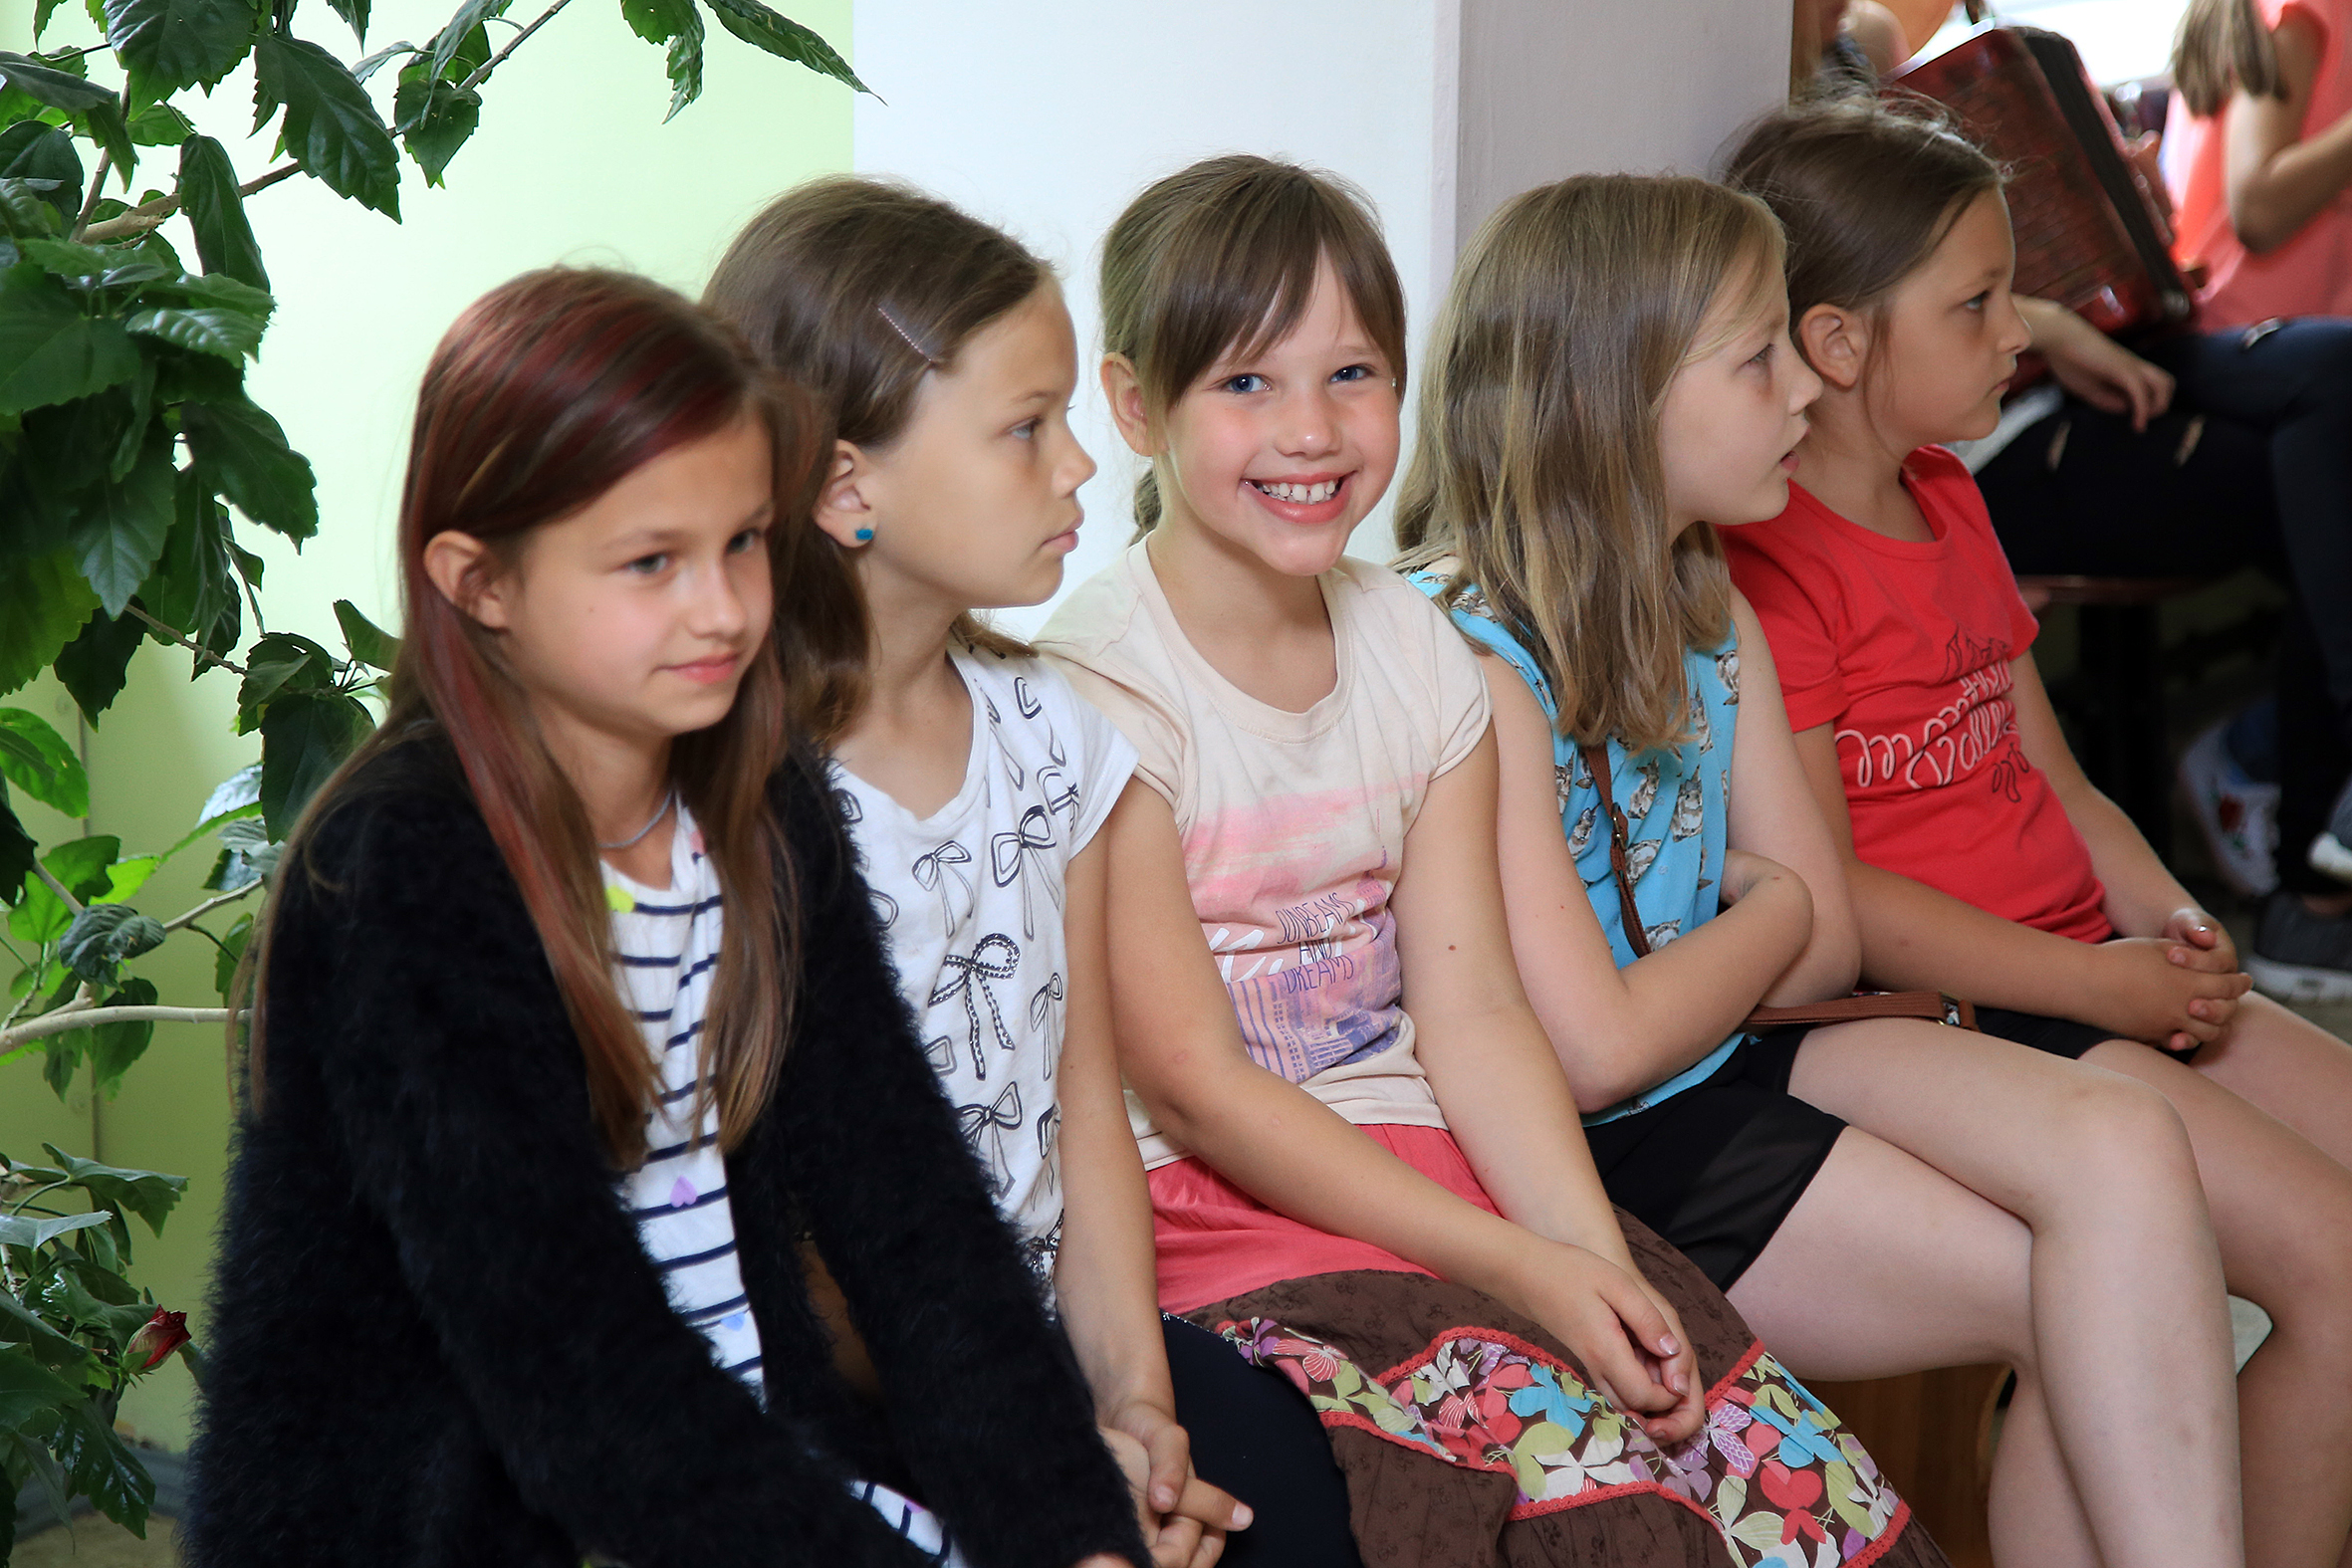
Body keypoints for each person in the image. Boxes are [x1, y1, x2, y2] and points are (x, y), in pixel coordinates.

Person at [1042, 152, 1949, 1568]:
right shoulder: (1097, 694)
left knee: (1779, 1485)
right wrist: (1523, 1266)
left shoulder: (1419, 653)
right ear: (1135, 405)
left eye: (1352, 374)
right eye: (1245, 383)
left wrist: (1590, 1259)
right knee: (1582, 1510)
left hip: (1437, 1159)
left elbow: (1470, 1013)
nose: (1309, 429)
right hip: (1211, 1212)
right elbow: (1199, 1090)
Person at [184, 269, 1148, 1568]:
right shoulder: (400, 869)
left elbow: (916, 1222)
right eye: (652, 563)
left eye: (744, 541)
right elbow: (582, 1385)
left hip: (753, 1476)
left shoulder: (765, 808)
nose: (726, 609)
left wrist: (1070, 1533)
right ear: (480, 582)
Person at [1397, 169, 2250, 1568]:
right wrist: (1779, 902)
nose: (1802, 386)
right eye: (1756, 359)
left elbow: (1825, 952)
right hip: (1584, 1142)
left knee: (2123, 1153)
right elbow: (1601, 1051)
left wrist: (1783, 917)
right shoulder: (1470, 656)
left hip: (1728, 1052)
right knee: (2079, 1295)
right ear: (1615, 397)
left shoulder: (1707, 606)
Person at [1723, 99, 2352, 1568]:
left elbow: (2053, 777)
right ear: (1838, 343)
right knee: (2331, 1263)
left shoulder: (1949, 494)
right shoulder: (1769, 565)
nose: (2021, 330)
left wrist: (2170, 924)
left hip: (2086, 969)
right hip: (1976, 1003)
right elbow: (1836, 897)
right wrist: (2097, 987)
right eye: (1979, 301)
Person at [704, 176, 1357, 1568]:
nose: (1078, 467)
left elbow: (1083, 1108)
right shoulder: (739, 795)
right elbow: (781, 1239)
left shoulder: (1055, 736)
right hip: (843, 1381)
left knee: (1286, 1500)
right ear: (846, 485)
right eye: (1026, 427)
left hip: (1053, 1343)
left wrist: (1135, 1405)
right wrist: (1039, 1452)